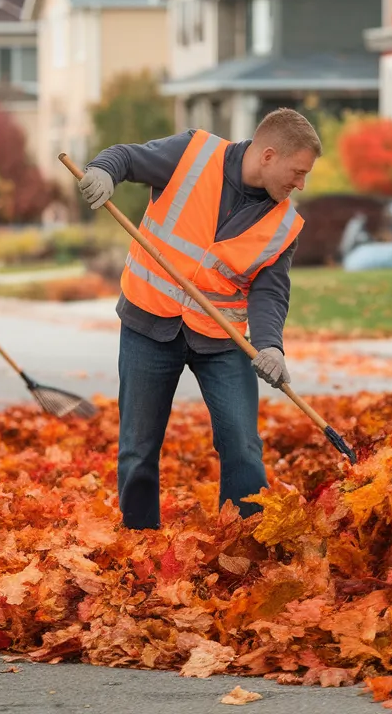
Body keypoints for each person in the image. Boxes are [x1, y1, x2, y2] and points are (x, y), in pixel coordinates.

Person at [78, 108, 320, 529]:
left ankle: (244, 537)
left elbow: (270, 292)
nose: (301, 183)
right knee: (138, 446)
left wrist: (271, 346)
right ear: (268, 155)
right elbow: (128, 157)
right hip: (149, 322)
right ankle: (138, 537)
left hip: (220, 340)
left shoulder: (284, 224)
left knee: (243, 444)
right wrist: (103, 171)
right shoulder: (193, 153)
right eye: (297, 172)